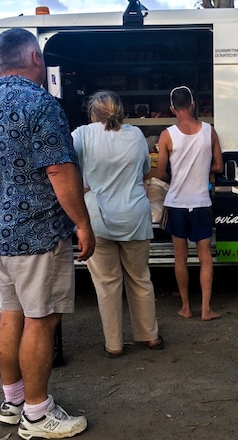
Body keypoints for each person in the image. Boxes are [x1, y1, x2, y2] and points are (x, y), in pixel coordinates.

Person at [0, 28, 96, 440]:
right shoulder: (41, 104)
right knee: (41, 321)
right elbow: (58, 171)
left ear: (0, 62)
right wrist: (82, 223)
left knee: (12, 315)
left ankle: (14, 401)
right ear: (34, 58)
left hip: (1, 235)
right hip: (40, 234)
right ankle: (38, 416)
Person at [71, 90, 162, 358]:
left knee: (107, 285)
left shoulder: (82, 135)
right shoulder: (135, 135)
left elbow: (66, 167)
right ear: (120, 111)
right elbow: (146, 173)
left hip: (97, 218)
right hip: (135, 215)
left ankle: (114, 344)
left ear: (92, 112)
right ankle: (149, 336)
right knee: (140, 278)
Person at [155, 85, 224, 321]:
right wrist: (202, 170)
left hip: (176, 203)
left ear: (173, 108)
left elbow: (162, 172)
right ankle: (206, 309)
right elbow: (219, 166)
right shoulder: (209, 131)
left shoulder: (167, 135)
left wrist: (176, 175)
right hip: (201, 202)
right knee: (205, 256)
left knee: (180, 256)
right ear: (193, 104)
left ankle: (186, 307)